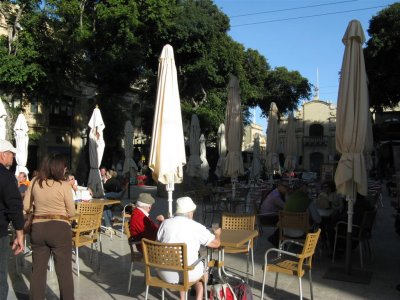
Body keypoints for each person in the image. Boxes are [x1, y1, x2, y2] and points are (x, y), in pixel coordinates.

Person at [23, 153, 75, 300]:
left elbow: (26, 206)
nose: (65, 170)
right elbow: (71, 212)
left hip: (38, 229)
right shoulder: (64, 185)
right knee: (64, 273)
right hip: (60, 229)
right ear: (58, 168)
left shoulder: (34, 182)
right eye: (64, 167)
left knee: (38, 272)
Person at [157, 197, 221, 300]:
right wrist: (217, 234)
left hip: (164, 273)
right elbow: (216, 244)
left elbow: (158, 242)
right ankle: (199, 298)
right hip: (185, 273)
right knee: (202, 266)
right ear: (190, 212)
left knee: (183, 262)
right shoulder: (195, 226)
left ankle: (183, 298)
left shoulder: (165, 223)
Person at [0, 140, 24, 299]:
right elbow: (14, 207)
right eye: (11, 154)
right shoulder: (6, 177)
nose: (14, 157)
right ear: (2, 155)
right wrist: (20, 235)